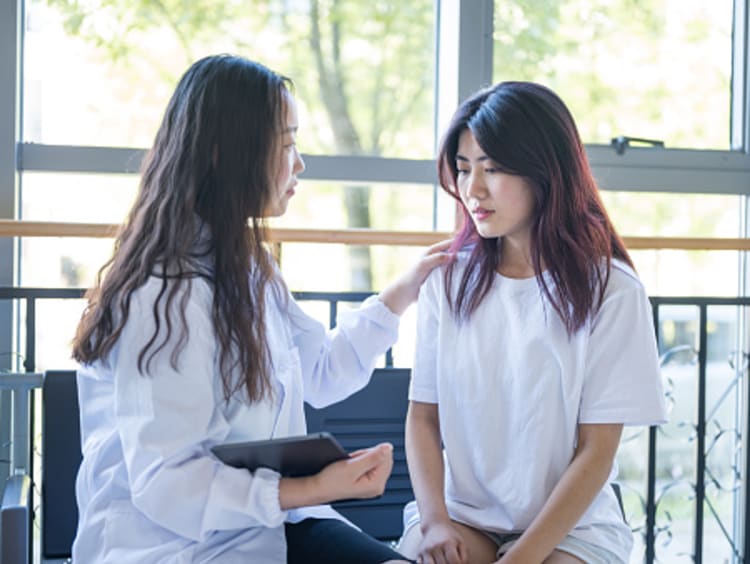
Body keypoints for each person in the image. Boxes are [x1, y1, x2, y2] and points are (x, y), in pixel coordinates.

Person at [71, 54, 450, 563]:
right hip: (176, 546)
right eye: (288, 143)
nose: (300, 164)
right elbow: (168, 485)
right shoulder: (165, 295)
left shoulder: (250, 268)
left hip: (269, 524)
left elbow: (320, 370)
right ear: (225, 155)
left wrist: (405, 289)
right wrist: (317, 486)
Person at [396, 81, 666, 564]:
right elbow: (423, 417)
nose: (472, 189)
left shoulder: (613, 290)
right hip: (460, 516)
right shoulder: (447, 281)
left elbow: (596, 451)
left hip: (572, 528)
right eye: (463, 169)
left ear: (546, 172)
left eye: (493, 169)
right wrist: (434, 522)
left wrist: (522, 557)